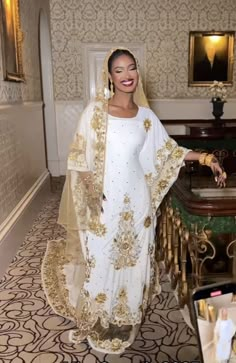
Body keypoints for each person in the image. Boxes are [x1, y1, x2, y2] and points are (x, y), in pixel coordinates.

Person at [42, 47, 226, 354]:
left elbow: (167, 152)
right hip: (104, 204)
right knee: (101, 261)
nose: (127, 76)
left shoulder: (146, 117)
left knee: (133, 262)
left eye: (132, 68)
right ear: (110, 77)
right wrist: (88, 188)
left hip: (138, 206)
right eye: (119, 70)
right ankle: (102, 319)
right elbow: (78, 155)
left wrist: (206, 158)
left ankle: (123, 318)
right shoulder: (95, 113)